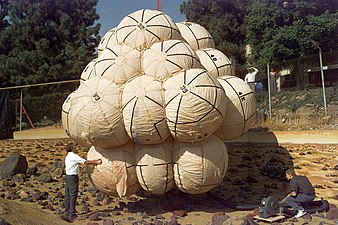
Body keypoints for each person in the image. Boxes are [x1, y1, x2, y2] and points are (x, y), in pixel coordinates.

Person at [62, 143, 102, 222]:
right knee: (73, 194)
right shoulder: (73, 156)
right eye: (74, 147)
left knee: (68, 194)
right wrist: (96, 162)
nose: (76, 148)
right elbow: (85, 162)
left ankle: (67, 211)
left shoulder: (68, 156)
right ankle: (71, 213)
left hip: (68, 176)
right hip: (72, 177)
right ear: (72, 148)